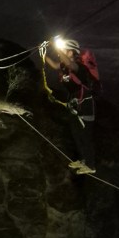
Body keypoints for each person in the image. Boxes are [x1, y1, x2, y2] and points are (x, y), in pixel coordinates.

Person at [42, 38, 100, 175]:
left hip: (85, 105)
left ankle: (91, 165)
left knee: (85, 135)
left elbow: (70, 64)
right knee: (76, 133)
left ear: (71, 52)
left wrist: (55, 47)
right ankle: (83, 160)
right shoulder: (64, 66)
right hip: (74, 104)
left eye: (64, 50)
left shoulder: (80, 67)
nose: (61, 53)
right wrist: (43, 54)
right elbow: (56, 65)